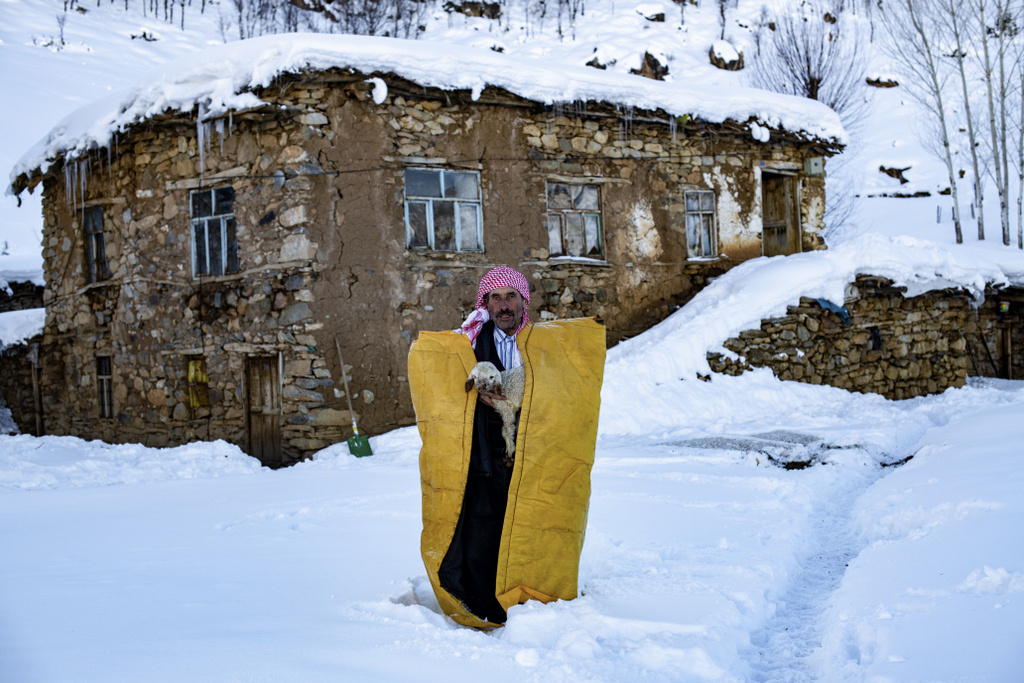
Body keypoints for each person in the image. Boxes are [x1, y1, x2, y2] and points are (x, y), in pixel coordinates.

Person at [436, 266, 531, 624]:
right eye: (496, 297)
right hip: (483, 450)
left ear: (523, 301)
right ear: (486, 304)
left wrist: (514, 396)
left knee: (526, 526)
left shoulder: (540, 343)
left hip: (531, 448)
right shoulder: (470, 345)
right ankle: (483, 606)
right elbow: (447, 389)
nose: (503, 305)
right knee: (481, 527)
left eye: (511, 296)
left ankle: (527, 603)